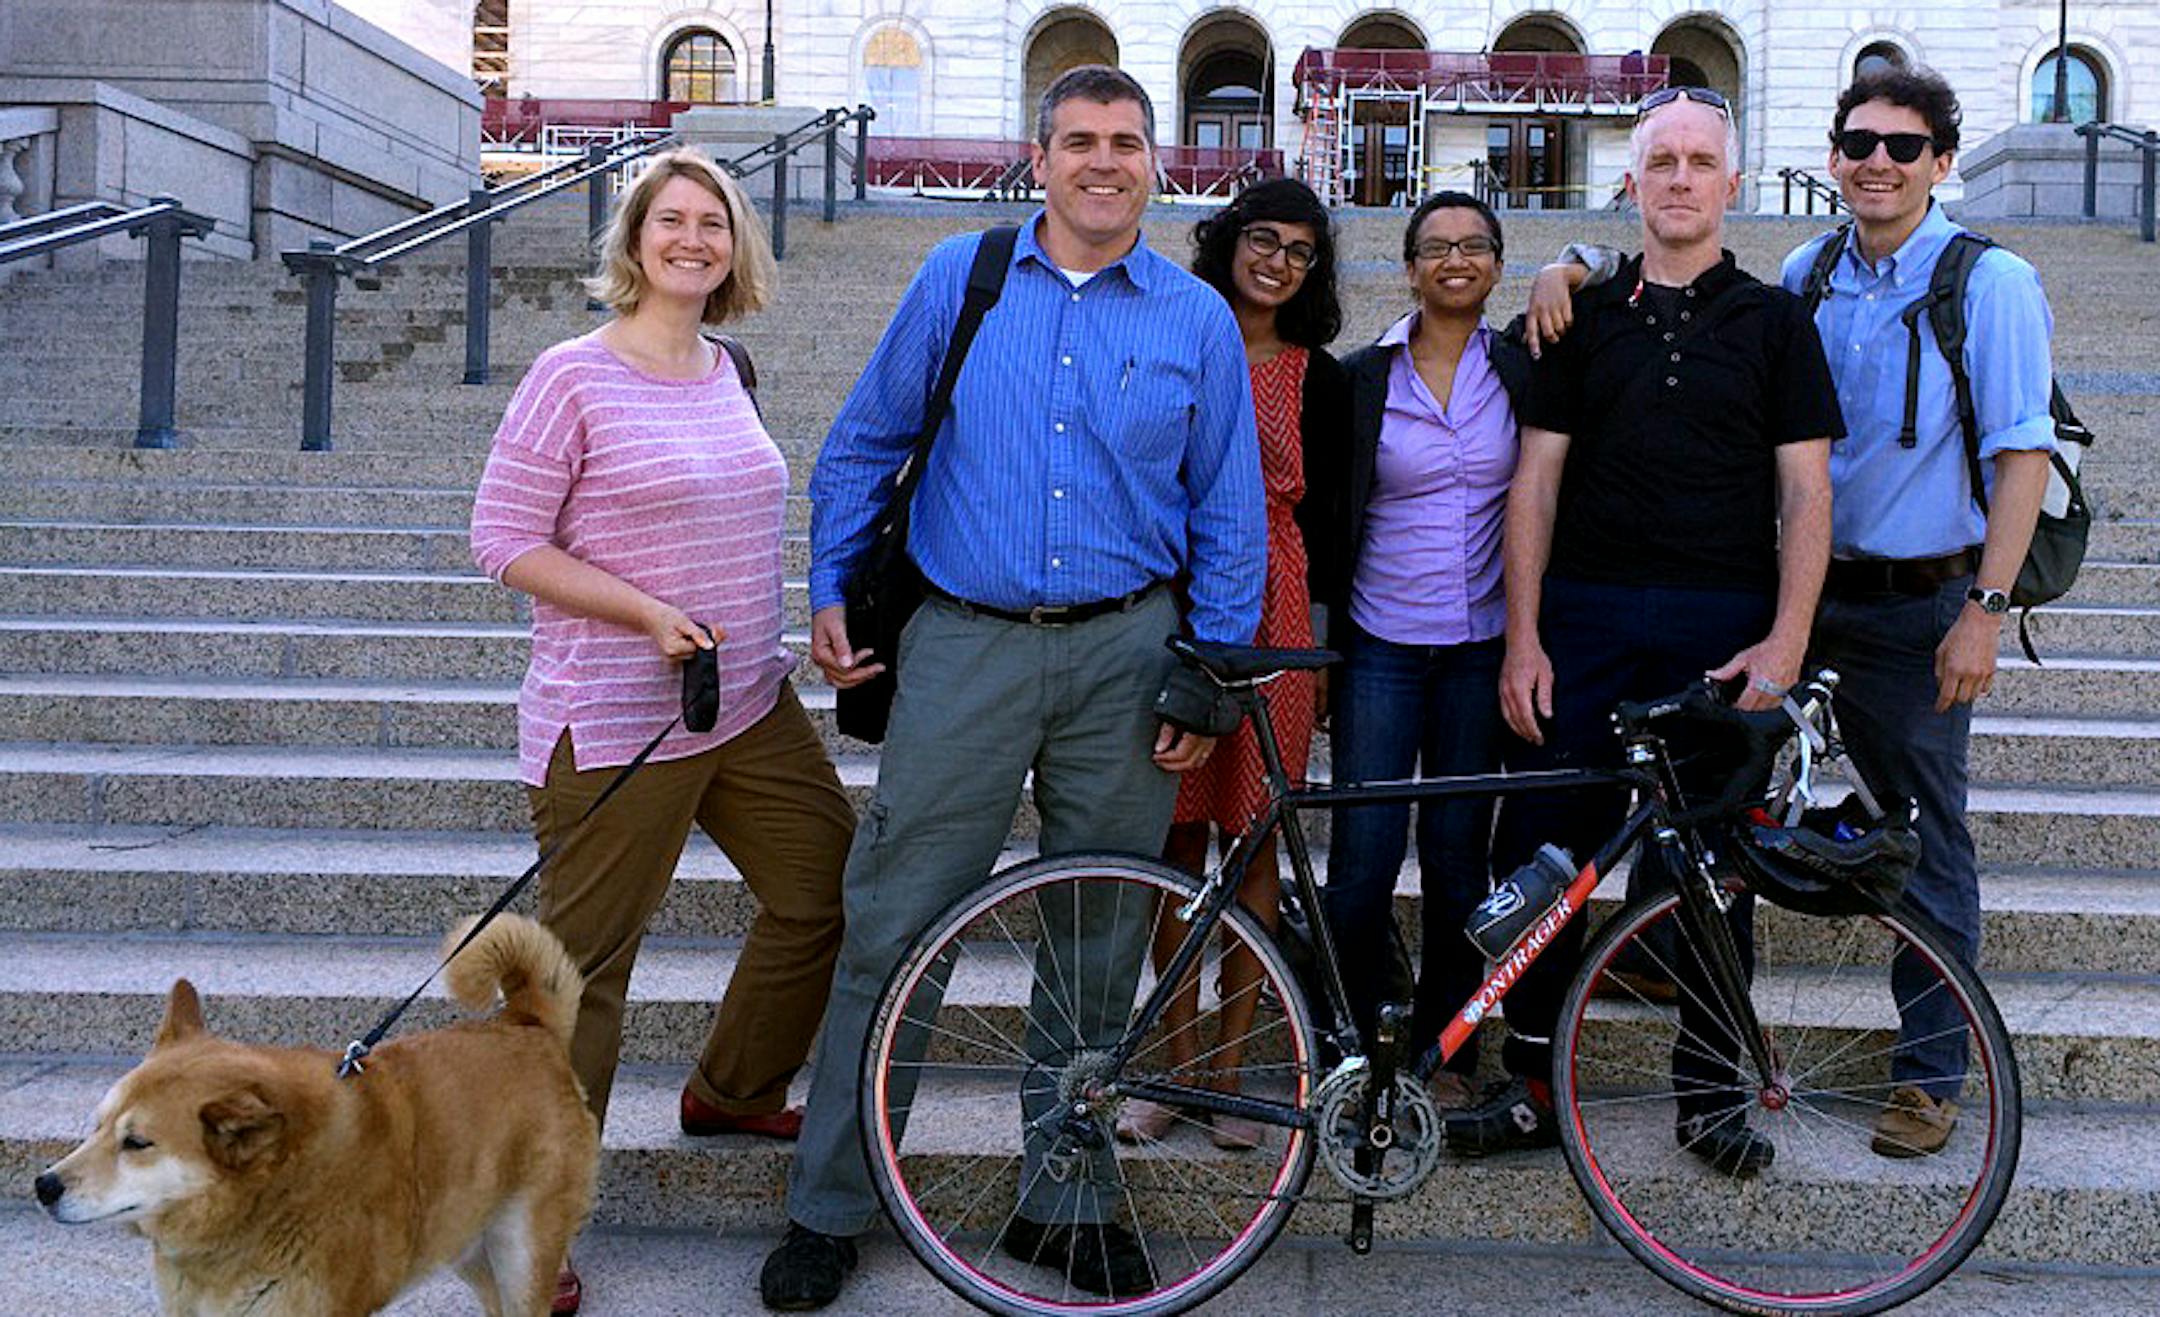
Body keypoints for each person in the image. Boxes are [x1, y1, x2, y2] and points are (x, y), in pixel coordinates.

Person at [762, 65, 1265, 1310]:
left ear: (1159, 164)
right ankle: (833, 1200)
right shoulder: (960, 278)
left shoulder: (1194, 317)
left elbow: (1229, 511)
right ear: (1037, 158)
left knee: (1097, 941)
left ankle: (1065, 1198)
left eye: (1129, 143)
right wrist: (830, 587)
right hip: (965, 646)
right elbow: (869, 440)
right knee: (895, 921)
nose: (1106, 161)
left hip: (1126, 657)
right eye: (1081, 140)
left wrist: (1206, 674)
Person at [1526, 69, 2057, 1161]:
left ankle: (1930, 1071)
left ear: (1943, 163)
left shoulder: (1990, 283)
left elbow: (2021, 452)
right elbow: (1667, 276)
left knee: (1920, 837)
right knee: (1693, 836)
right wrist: (1565, 262)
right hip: (1792, 602)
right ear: (1830, 157)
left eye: (1904, 147)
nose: (1879, 161)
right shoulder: (1812, 273)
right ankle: (1633, 981)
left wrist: (1986, 609)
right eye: (1860, 141)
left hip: (1918, 603)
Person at [469, 148, 855, 1317]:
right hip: (619, 717)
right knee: (579, 978)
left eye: (714, 225)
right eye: (671, 221)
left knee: (828, 881)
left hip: (745, 707)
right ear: (633, 241)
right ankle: (528, 1223)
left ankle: (734, 1087)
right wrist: (640, 610)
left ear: (736, 248)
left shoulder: (729, 367)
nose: (692, 240)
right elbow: (501, 538)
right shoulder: (571, 376)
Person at [1449, 87, 1841, 1178]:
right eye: (1659, 159)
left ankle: (1715, 1092)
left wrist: (1788, 640)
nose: (1677, 178)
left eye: (1697, 162)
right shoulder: (1581, 313)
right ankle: (1525, 1084)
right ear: (1632, 180)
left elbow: (1807, 494)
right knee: (1543, 861)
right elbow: (1534, 482)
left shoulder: (1777, 323)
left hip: (1724, 634)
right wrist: (1523, 636)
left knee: (1716, 871)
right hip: (1582, 624)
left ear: (1730, 182)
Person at [1113, 177, 1346, 1153]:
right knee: (1175, 844)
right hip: (1178, 600)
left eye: (1299, 250)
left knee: (1252, 844)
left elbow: (1334, 523)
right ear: (1228, 239)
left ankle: (1229, 1074)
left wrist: (1322, 648)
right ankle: (1168, 1063)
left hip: (1280, 607)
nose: (1278, 261)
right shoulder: (1177, 339)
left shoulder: (1317, 374)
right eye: (1264, 239)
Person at [1314, 191, 1530, 1112]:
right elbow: (1326, 518)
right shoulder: (1363, 378)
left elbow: (1603, 274)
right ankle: (1345, 1039)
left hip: (1480, 651)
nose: (1455, 260)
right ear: (1408, 267)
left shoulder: (1523, 369)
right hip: (1380, 648)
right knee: (1362, 858)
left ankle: (1448, 1047)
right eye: (1436, 246)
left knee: (1455, 862)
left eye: (1474, 245)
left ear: (1495, 264)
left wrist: (1573, 262)